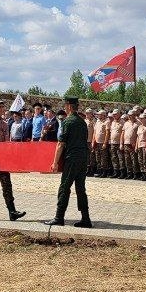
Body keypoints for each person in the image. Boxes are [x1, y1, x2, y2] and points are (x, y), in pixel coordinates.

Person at [46, 96, 91, 227]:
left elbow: (60, 144)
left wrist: (55, 162)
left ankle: (59, 217)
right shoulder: (82, 122)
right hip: (83, 158)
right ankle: (85, 218)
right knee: (80, 189)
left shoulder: (68, 122)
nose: (65, 108)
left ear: (69, 107)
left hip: (72, 158)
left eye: (65, 106)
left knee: (64, 187)